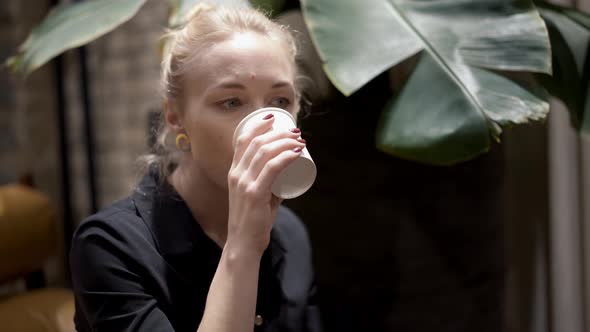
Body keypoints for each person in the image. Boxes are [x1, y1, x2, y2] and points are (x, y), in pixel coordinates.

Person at [69, 3, 321, 332]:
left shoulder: (289, 232)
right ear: (175, 117)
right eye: (231, 102)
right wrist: (243, 245)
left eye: (281, 101)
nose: (265, 125)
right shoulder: (110, 246)